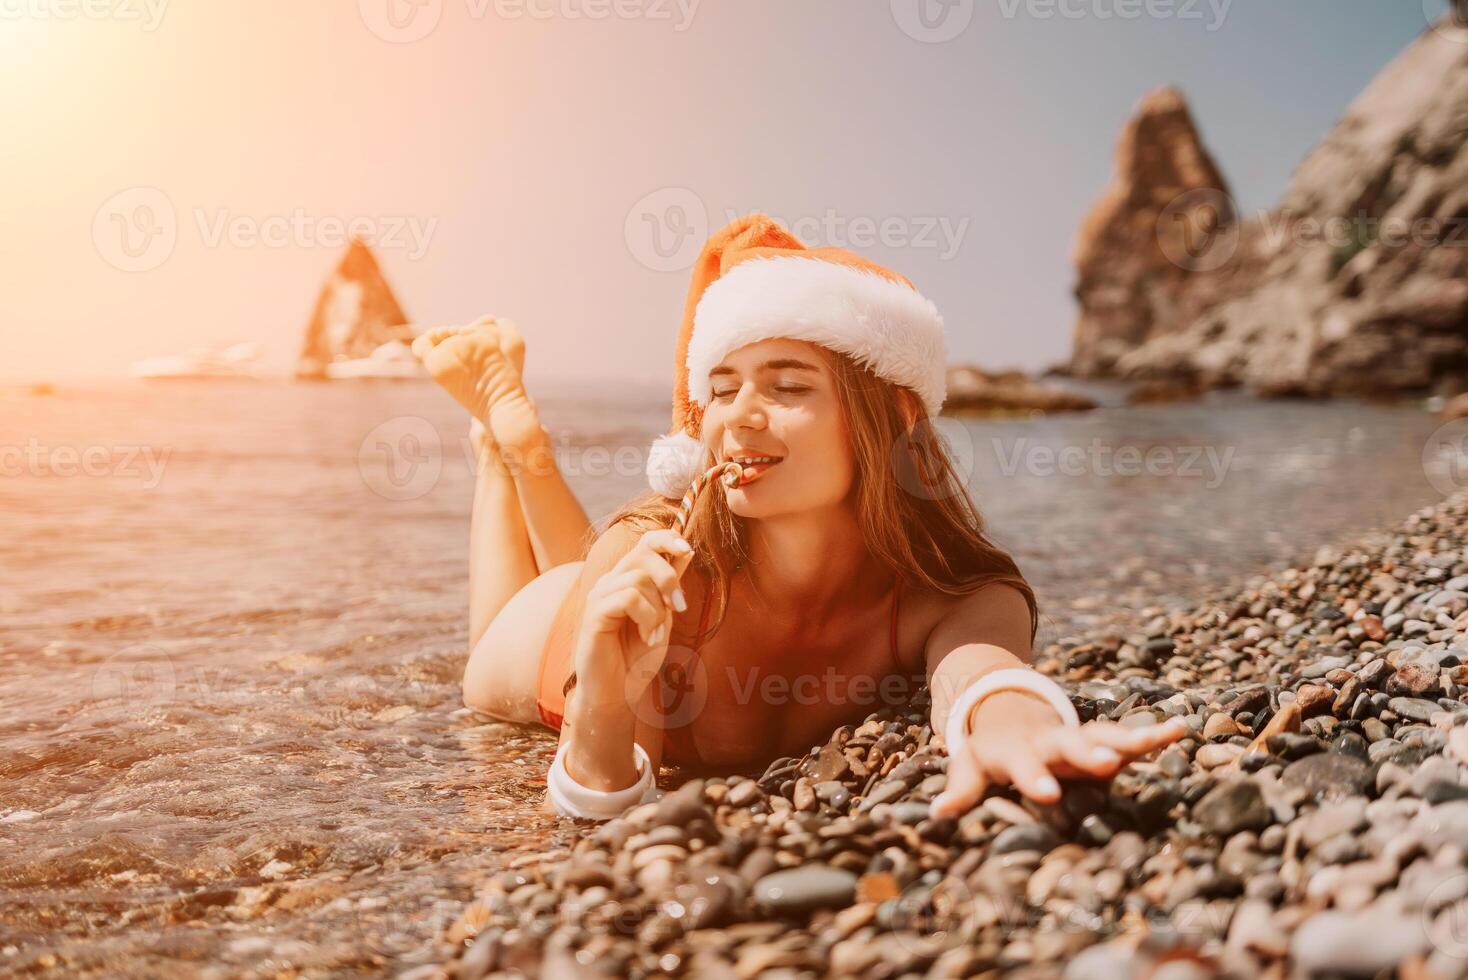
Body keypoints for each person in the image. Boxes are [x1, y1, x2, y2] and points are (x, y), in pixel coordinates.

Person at [412, 213, 1186, 821]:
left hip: (611, 582)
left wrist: (1018, 727)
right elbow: (597, 803)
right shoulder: (662, 565)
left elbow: (983, 679)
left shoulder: (953, 592)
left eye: (787, 387)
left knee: (594, 569)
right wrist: (608, 700)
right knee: (509, 635)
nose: (738, 417)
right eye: (720, 389)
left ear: (880, 423)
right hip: (559, 654)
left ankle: (519, 447)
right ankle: (501, 451)